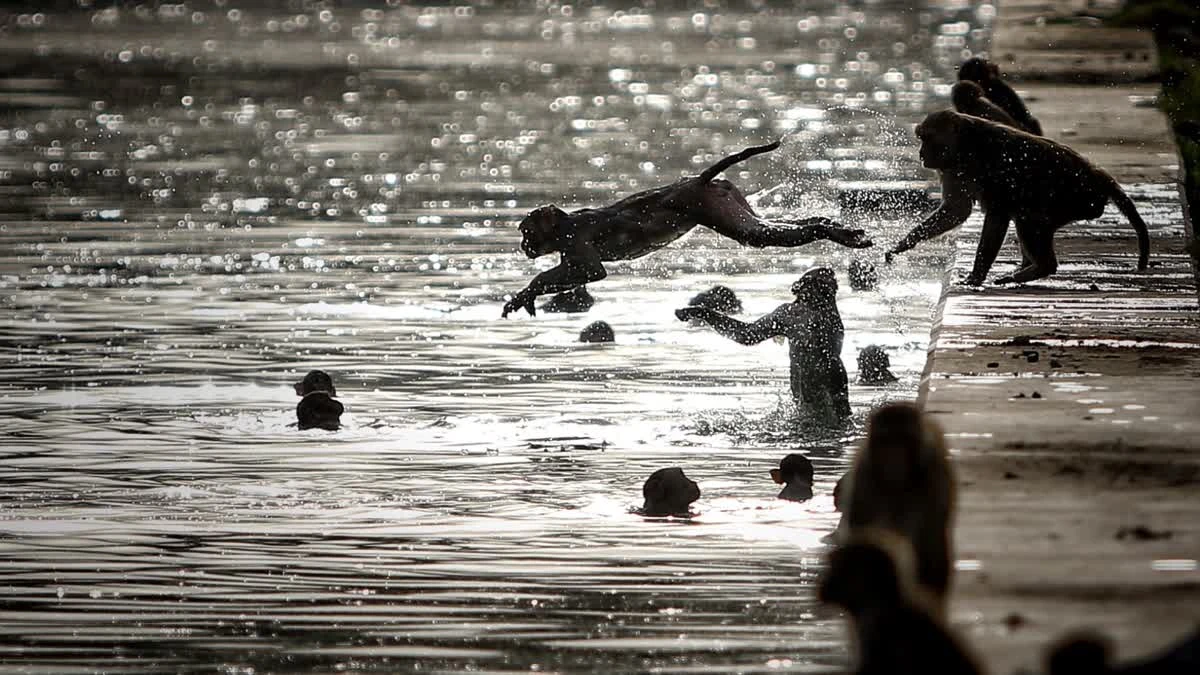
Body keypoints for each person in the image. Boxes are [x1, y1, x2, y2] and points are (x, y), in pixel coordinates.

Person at [675, 267, 850, 421]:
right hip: (826, 404)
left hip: (812, 408)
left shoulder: (792, 315)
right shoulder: (816, 316)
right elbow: (746, 335)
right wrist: (705, 314)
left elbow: (746, 335)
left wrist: (705, 314)